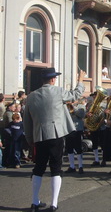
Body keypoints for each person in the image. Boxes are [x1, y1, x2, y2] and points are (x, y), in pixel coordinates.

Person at [24, 67, 85, 212]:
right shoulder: (57, 91)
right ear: (52, 79)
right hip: (56, 135)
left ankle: (34, 202)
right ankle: (54, 203)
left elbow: (27, 121)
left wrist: (30, 138)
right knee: (56, 168)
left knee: (38, 168)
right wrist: (80, 80)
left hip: (39, 136)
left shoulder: (31, 96)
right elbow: (75, 94)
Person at [64, 98, 87, 174]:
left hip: (77, 129)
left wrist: (73, 106)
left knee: (78, 148)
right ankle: (72, 166)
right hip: (68, 129)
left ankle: (80, 166)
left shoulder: (81, 106)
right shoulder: (66, 106)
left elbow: (81, 115)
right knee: (69, 148)